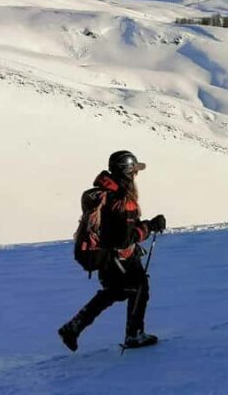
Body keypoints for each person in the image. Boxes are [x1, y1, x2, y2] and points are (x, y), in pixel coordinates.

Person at [58, 150, 166, 351]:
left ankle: (73, 328)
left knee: (116, 291)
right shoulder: (123, 200)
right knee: (138, 287)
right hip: (118, 257)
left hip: (104, 255)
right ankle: (134, 335)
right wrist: (149, 227)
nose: (136, 175)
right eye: (134, 171)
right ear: (127, 172)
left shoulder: (105, 193)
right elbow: (124, 239)